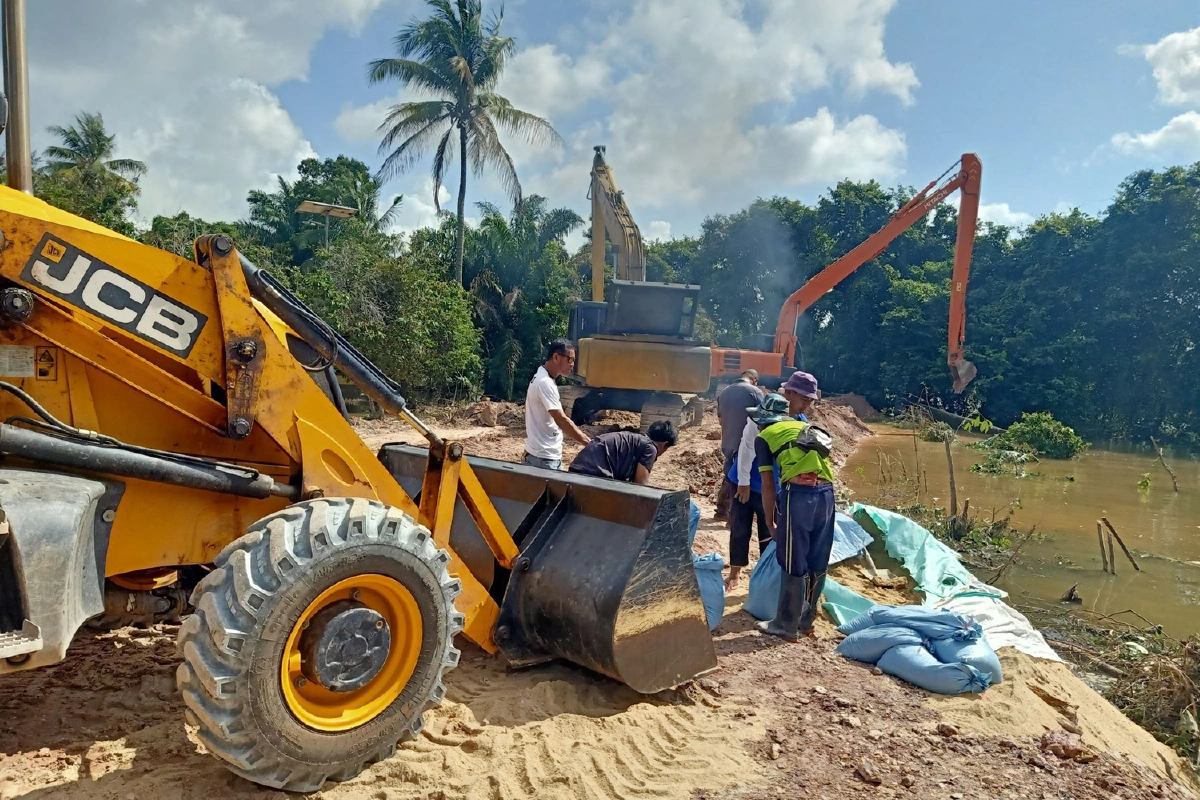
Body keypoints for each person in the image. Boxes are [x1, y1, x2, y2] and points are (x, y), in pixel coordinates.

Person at [753, 371, 835, 641]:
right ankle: (806, 622)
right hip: (827, 495)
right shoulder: (805, 427)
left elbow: (768, 485)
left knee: (792, 560)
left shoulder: (764, 438)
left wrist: (770, 522)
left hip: (799, 497)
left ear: (763, 419)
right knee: (817, 561)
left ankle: (784, 625)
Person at [723, 393, 788, 591]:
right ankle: (735, 572)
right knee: (740, 526)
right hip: (746, 479)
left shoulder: (796, 423)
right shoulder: (756, 420)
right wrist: (744, 482)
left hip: (771, 485)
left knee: (769, 531)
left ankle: (764, 574)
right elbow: (746, 449)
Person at [524, 339, 590, 470]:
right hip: (544, 459)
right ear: (556, 357)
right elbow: (561, 420)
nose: (572, 364)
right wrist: (588, 442)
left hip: (542, 455)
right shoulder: (545, 383)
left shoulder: (544, 377)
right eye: (570, 359)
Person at [714, 370, 763, 521]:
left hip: (728, 440)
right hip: (745, 442)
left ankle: (721, 511)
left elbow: (720, 419)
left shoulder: (725, 392)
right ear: (754, 379)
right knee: (740, 477)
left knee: (729, 473)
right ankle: (732, 517)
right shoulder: (755, 392)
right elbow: (764, 418)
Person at [569, 421, 677, 484]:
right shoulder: (650, 448)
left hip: (576, 470)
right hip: (595, 477)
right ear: (664, 444)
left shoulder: (631, 439)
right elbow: (641, 485)